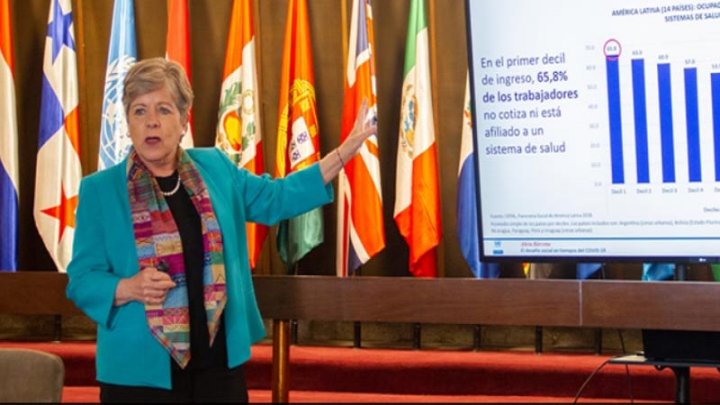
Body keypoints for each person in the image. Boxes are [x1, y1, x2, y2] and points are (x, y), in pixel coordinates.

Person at [66, 57, 376, 403]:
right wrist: (128, 287)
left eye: (164, 110)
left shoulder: (215, 168)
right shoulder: (100, 190)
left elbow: (276, 198)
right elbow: (82, 280)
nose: (151, 121)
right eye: (139, 111)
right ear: (128, 121)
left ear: (184, 121)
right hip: (138, 373)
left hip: (216, 366)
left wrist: (341, 155)